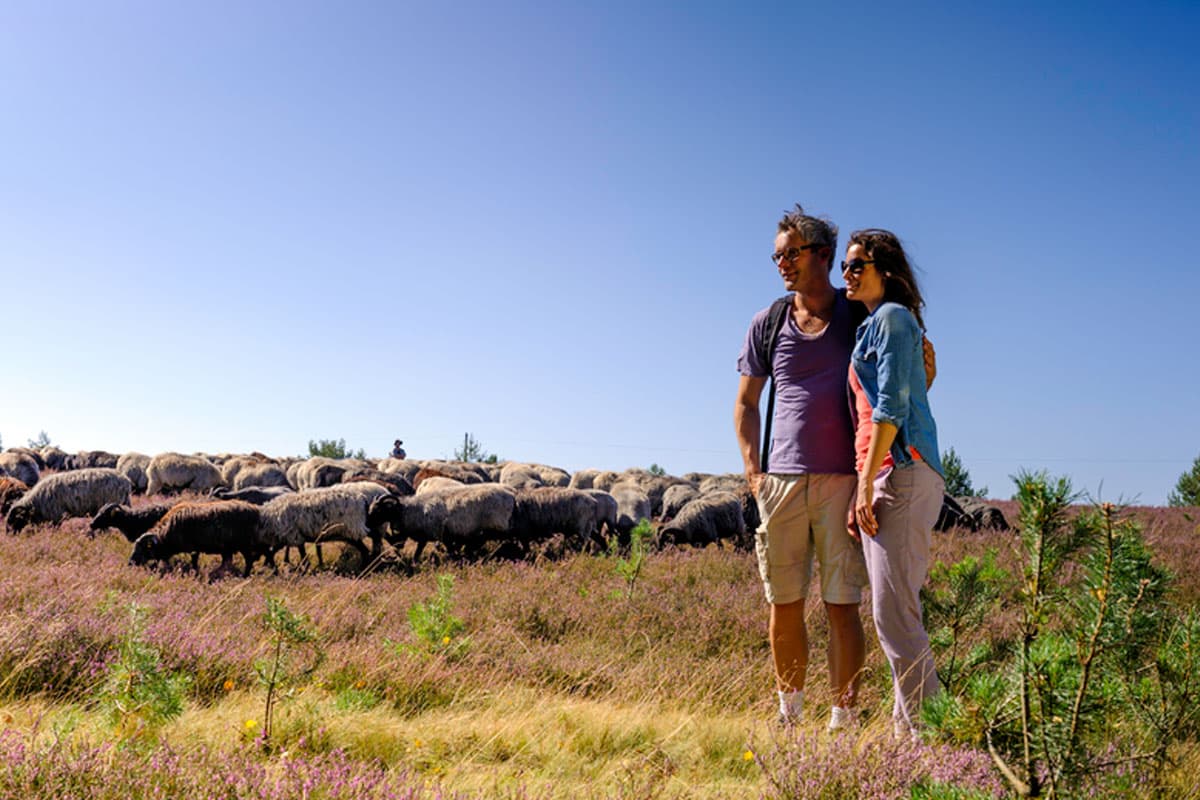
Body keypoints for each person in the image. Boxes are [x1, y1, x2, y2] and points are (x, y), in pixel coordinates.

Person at [734, 205, 868, 730]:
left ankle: (844, 721)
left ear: (825, 256)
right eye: (777, 255)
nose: (782, 263)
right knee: (783, 603)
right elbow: (746, 404)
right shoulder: (767, 323)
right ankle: (789, 716)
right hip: (781, 483)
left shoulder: (859, 316)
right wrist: (753, 473)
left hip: (844, 481)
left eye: (791, 253)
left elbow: (899, 384)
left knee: (843, 606)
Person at [842, 229, 944, 740]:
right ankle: (908, 748)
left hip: (899, 473)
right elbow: (896, 397)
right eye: (845, 266)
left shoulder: (892, 318)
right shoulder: (875, 327)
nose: (847, 275)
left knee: (895, 617)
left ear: (886, 270)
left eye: (858, 265)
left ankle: (939, 748)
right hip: (891, 472)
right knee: (896, 613)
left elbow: (891, 409)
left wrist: (863, 486)